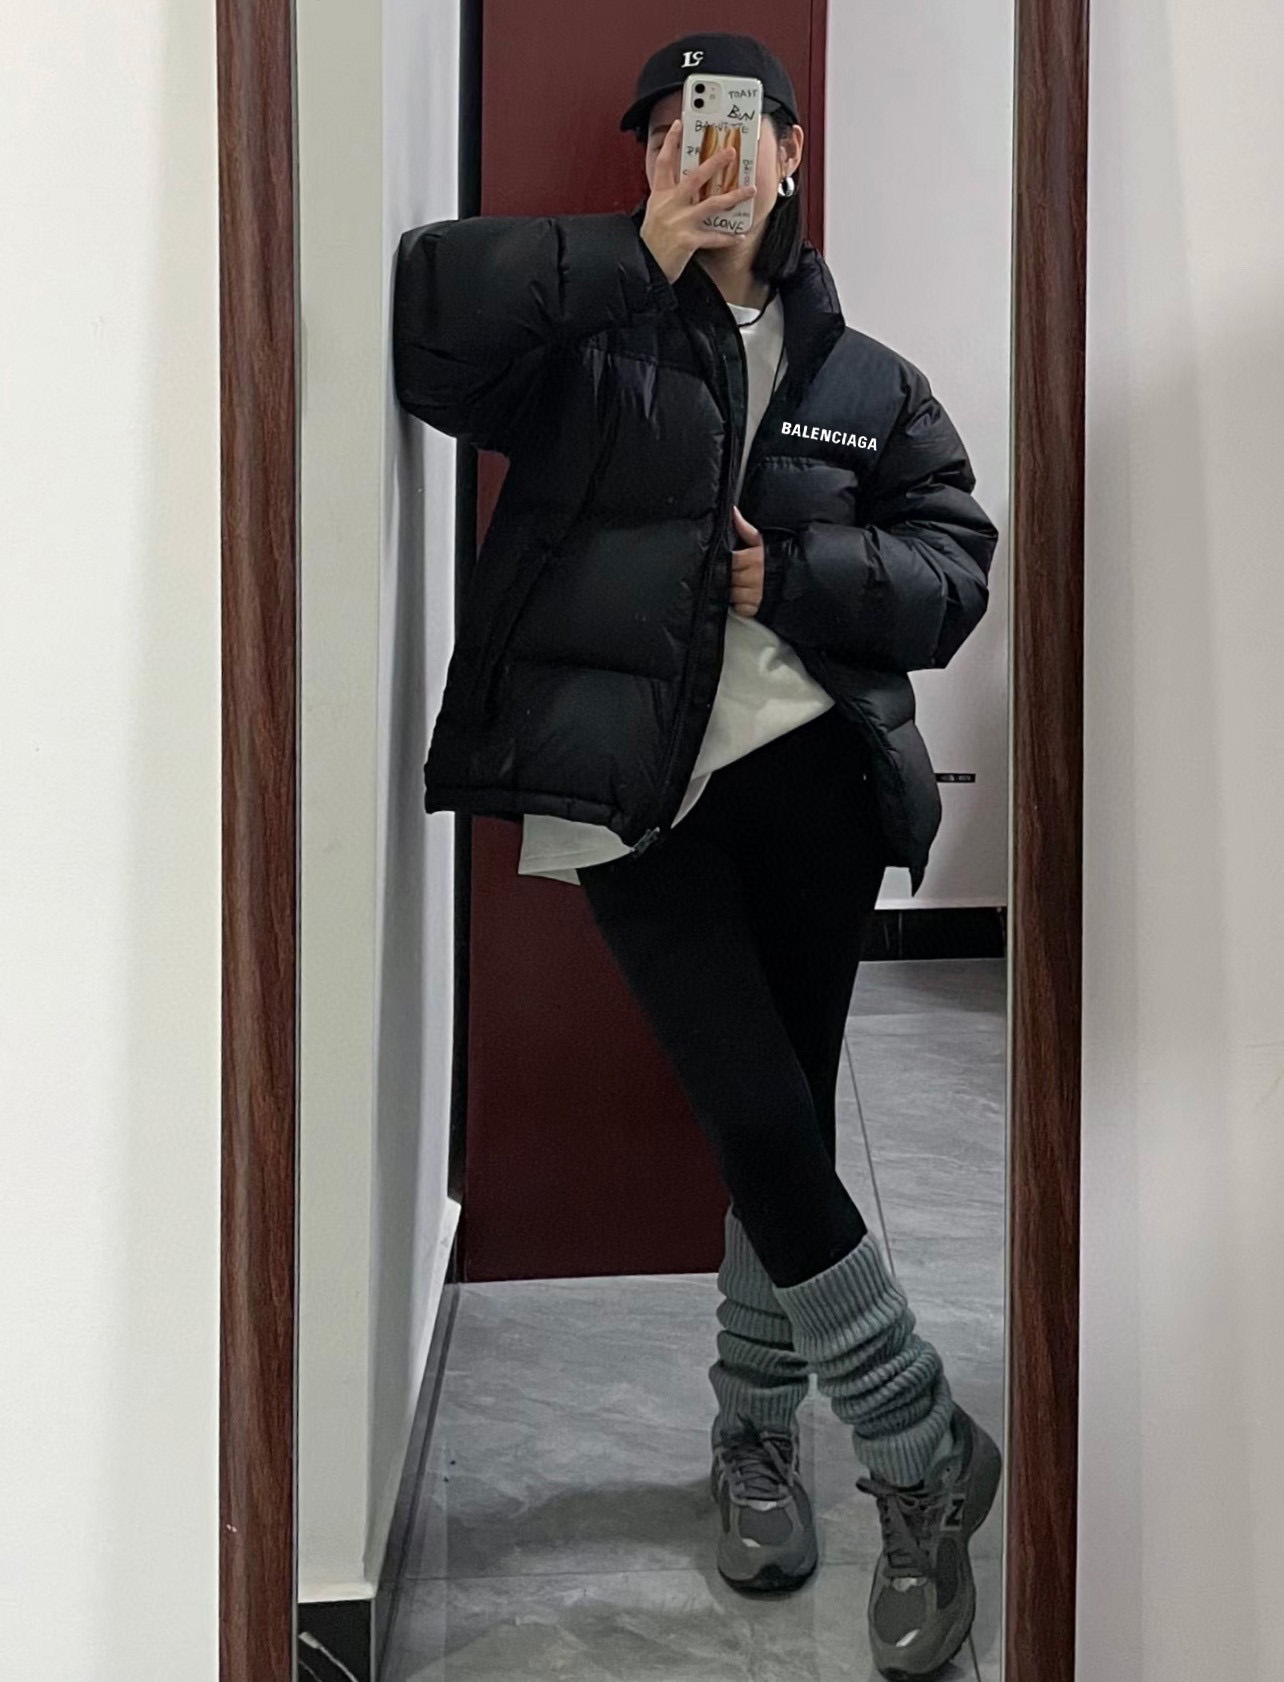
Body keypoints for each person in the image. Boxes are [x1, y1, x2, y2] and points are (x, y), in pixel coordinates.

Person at [393, 30, 1001, 1679]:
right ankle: (916, 1445)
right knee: (749, 1106)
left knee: (777, 1129)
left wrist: (788, 575)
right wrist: (636, 251)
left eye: (732, 127)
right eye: (670, 129)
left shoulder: (872, 383)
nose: (704, 147)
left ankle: (753, 1433)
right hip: (630, 789)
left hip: (813, 783)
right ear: (647, 158)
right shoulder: (583, 344)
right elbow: (430, 330)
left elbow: (956, 565)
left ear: (792, 153)